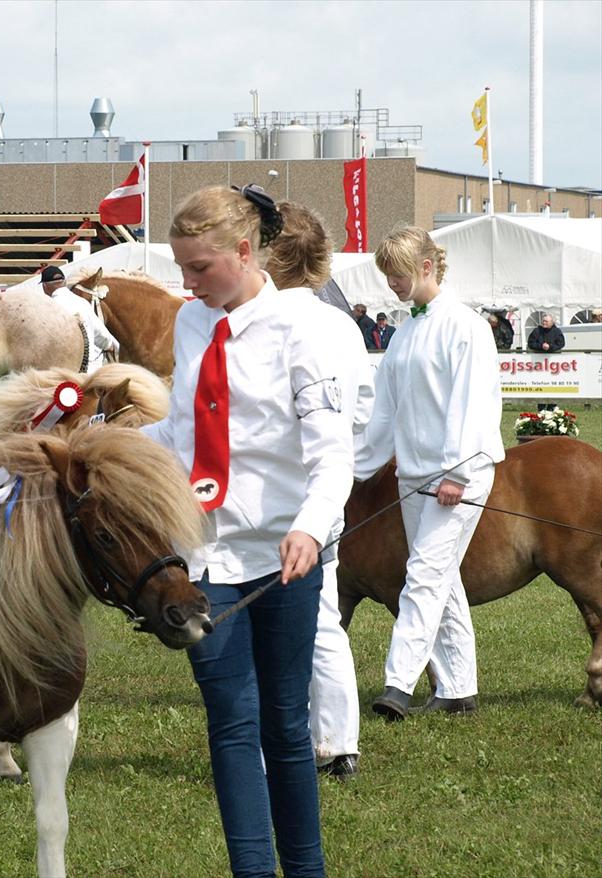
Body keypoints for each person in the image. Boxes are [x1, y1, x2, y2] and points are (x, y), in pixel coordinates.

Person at [143, 185, 354, 877]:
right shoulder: (191, 323)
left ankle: (308, 869)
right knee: (232, 726)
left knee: (286, 726)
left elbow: (332, 454)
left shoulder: (306, 329)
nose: (187, 282)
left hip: (286, 557)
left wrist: (311, 530)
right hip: (205, 556)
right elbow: (182, 430)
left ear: (243, 251)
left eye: (200, 267)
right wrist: (106, 441)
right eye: (181, 267)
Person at [355, 226, 504, 722]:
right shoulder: (404, 331)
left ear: (425, 268)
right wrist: (355, 467)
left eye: (397, 274)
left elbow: (475, 404)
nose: (392, 284)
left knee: (422, 576)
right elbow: (385, 412)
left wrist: (458, 474)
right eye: (387, 276)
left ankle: (398, 684)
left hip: (459, 478)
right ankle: (458, 689)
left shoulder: (467, 326)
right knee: (442, 581)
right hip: (413, 477)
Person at [265, 200, 374, 782]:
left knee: (261, 628)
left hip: (271, 495)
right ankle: (339, 743)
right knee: (324, 618)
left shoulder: (262, 320)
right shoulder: (343, 325)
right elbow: (365, 409)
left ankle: (269, 746)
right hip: (327, 493)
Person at [40, 265, 120, 372]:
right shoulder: (83, 303)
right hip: (89, 372)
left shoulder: (47, 308)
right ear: (64, 283)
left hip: (62, 373)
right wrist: (111, 345)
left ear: (44, 286)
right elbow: (101, 335)